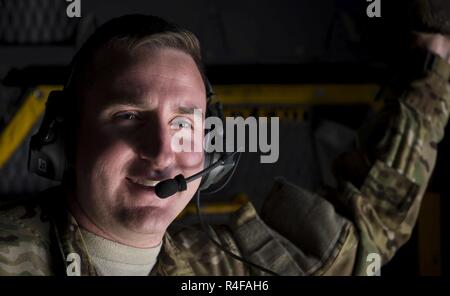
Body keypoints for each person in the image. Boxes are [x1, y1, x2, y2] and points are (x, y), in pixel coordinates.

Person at [0, 8, 450, 275]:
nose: (162, 151)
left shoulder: (219, 270)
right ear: (66, 139)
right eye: (128, 116)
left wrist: (432, 57)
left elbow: (363, 233)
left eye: (185, 123)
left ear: (211, 151)